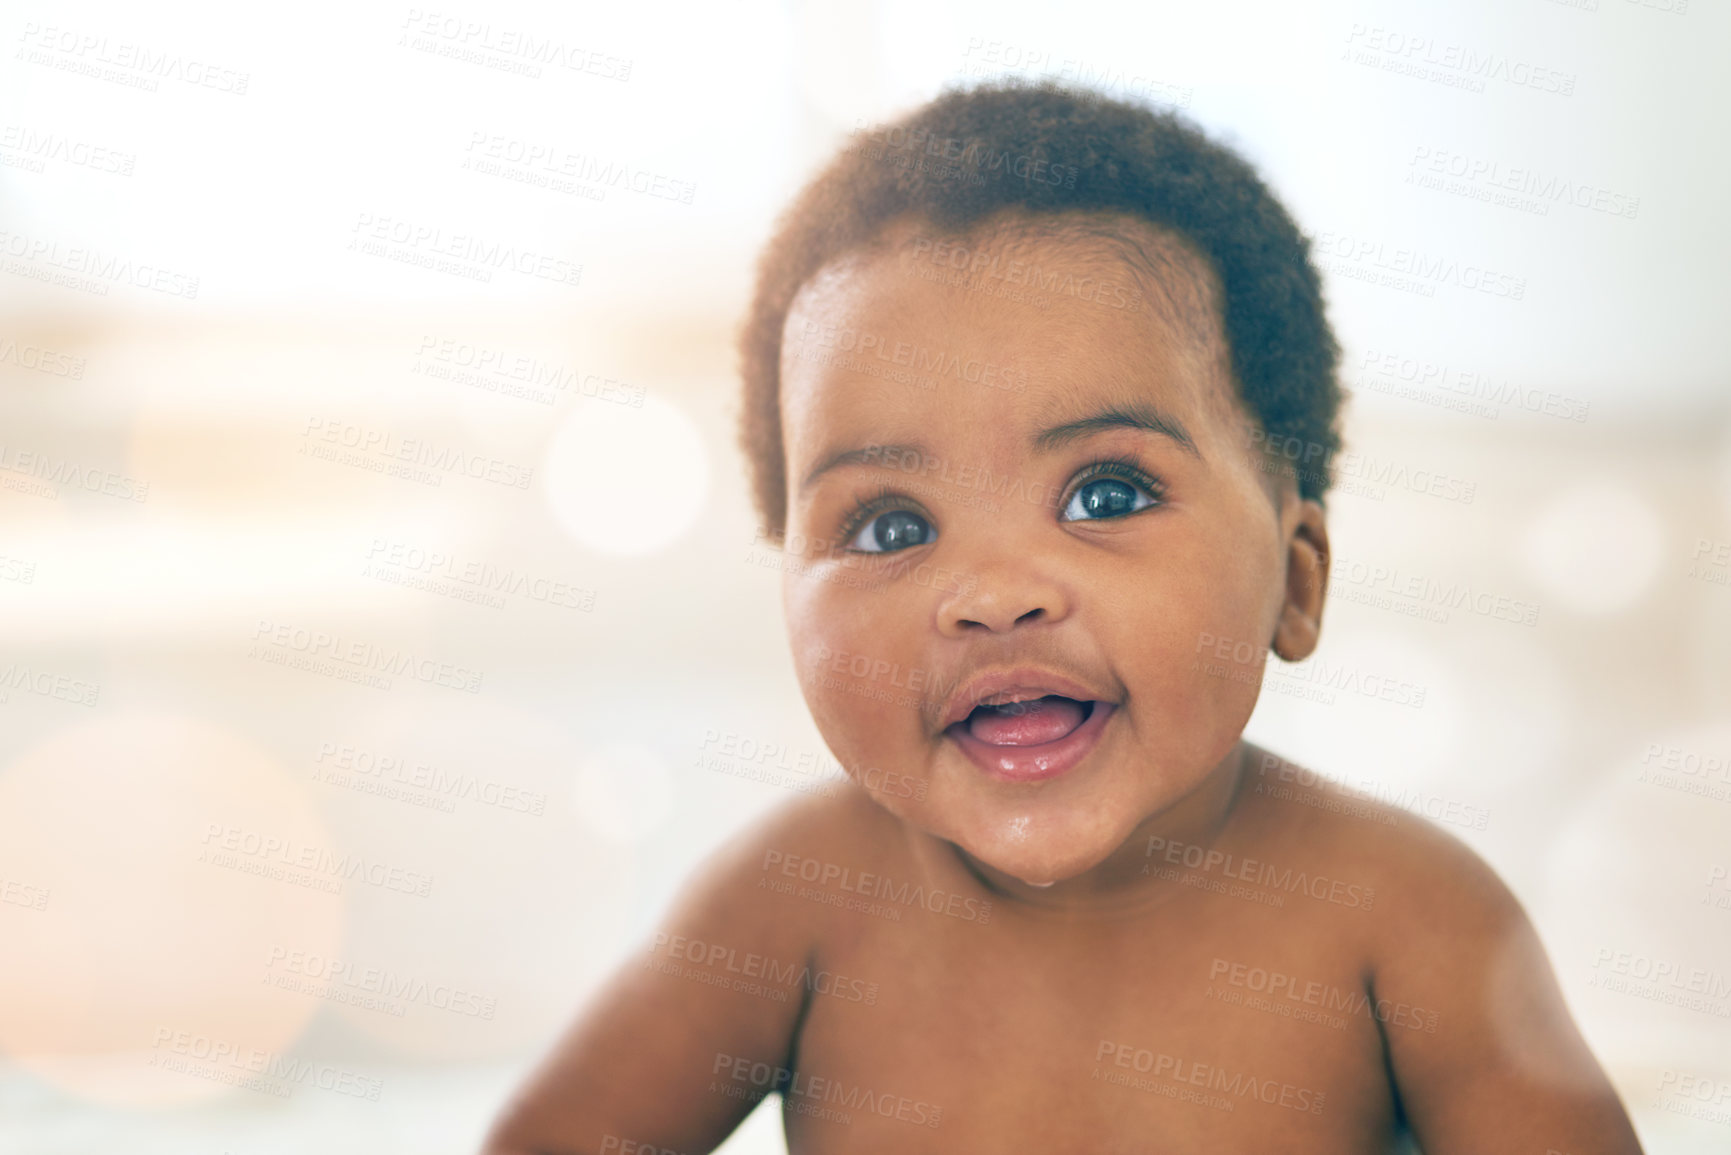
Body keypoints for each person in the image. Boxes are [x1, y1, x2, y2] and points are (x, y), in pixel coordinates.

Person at [484, 81, 1643, 1154]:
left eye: (1107, 494)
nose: (994, 593)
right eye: (889, 525)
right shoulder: (795, 905)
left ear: (1296, 581)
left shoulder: (1409, 921)